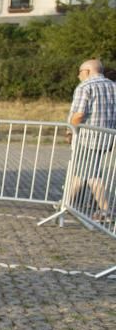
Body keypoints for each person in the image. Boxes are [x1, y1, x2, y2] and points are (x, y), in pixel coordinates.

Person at [67, 59, 116, 221]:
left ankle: (106, 211)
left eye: (80, 72)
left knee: (92, 175)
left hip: (86, 138)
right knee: (81, 173)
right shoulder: (112, 86)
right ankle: (67, 203)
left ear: (87, 71)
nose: (78, 75)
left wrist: (70, 130)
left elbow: (79, 114)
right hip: (106, 137)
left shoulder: (85, 87)